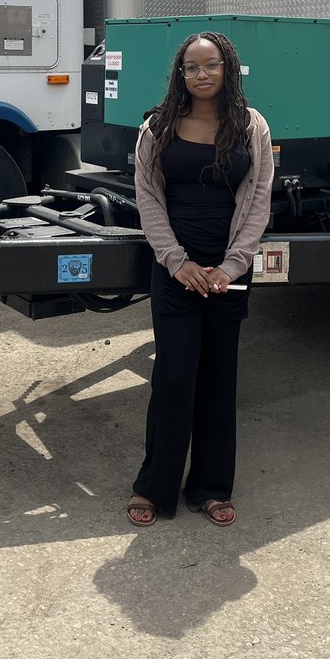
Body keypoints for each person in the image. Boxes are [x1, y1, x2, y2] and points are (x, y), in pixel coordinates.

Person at [127, 31, 274, 527]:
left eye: (210, 64)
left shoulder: (251, 126)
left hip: (227, 272)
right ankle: (154, 486)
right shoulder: (158, 127)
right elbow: (148, 197)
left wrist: (232, 266)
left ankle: (211, 487)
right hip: (176, 271)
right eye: (191, 67)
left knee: (218, 380)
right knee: (173, 378)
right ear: (180, 74)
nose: (201, 74)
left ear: (227, 68)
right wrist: (176, 261)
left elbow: (258, 199)